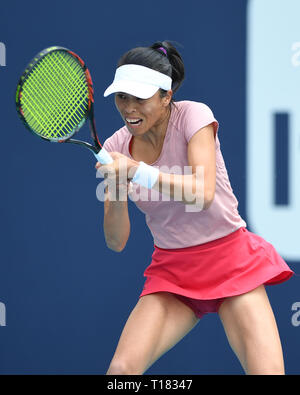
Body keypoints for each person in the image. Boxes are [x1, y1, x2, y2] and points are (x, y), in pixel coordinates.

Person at [95, 40, 294, 375]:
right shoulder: (116, 145)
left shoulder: (194, 116)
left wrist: (136, 170)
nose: (129, 107)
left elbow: (202, 193)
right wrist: (116, 187)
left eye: (140, 97)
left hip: (232, 263)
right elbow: (116, 242)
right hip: (173, 273)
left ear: (166, 96)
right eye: (121, 97)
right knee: (122, 371)